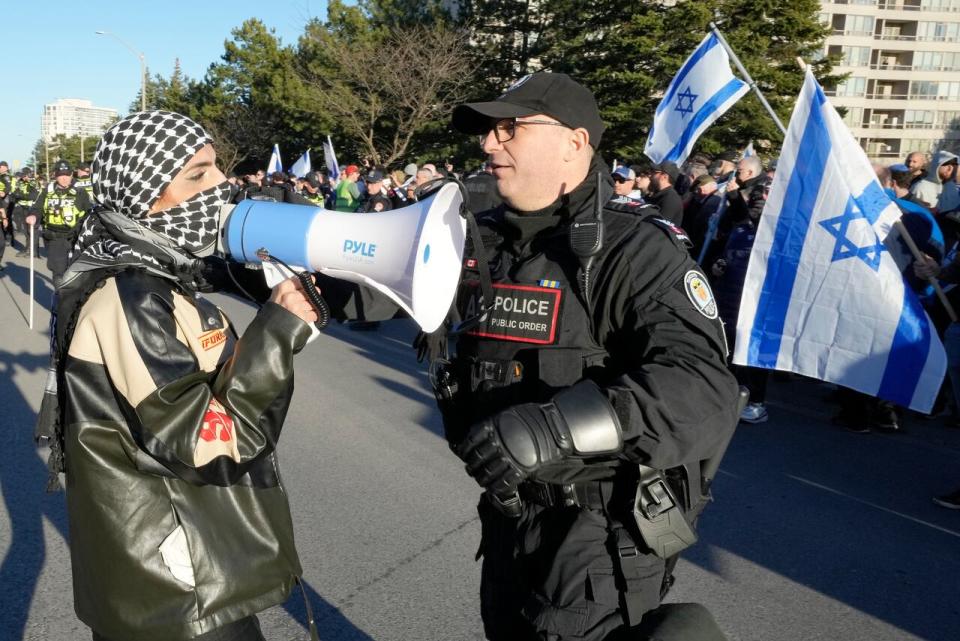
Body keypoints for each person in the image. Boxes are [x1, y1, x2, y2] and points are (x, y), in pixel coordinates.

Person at [317, 72, 738, 641]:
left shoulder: (634, 250)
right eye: (489, 131)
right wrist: (271, 270)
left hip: (600, 534)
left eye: (510, 128)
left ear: (575, 142)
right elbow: (372, 289)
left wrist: (555, 429)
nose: (490, 144)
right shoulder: (480, 237)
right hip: (509, 515)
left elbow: (702, 389)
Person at [33, 110, 318, 641]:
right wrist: (277, 333)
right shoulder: (133, 296)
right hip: (179, 589)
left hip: (190, 564)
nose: (219, 185)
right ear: (145, 196)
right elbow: (210, 440)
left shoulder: (158, 276)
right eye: (197, 174)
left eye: (215, 169)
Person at [26, 160, 93, 287]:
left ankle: (76, 300)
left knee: (78, 272)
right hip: (54, 236)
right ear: (55, 175)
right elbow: (37, 207)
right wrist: (33, 216)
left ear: (71, 175)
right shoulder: (48, 190)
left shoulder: (80, 191)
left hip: (76, 236)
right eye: (60, 175)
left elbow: (89, 210)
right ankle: (60, 298)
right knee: (59, 273)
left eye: (67, 175)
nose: (64, 178)